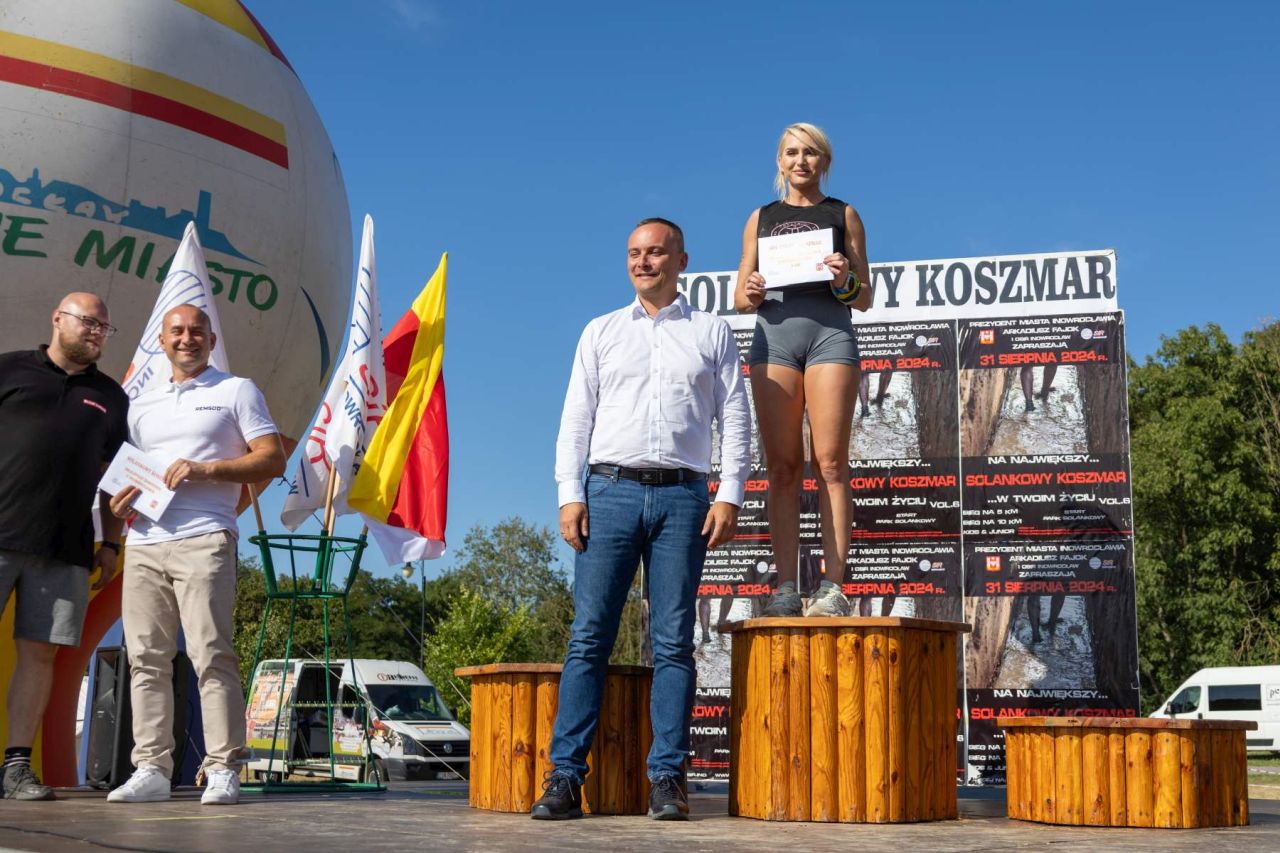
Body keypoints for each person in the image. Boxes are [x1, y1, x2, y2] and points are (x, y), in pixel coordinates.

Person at [534, 219, 751, 821]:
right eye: (634, 253)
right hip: (609, 492)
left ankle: (667, 780)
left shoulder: (711, 331)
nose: (643, 262)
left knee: (674, 642)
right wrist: (569, 494)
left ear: (681, 260)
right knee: (588, 637)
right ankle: (564, 778)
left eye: (655, 252)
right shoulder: (600, 331)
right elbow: (575, 419)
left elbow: (735, 416)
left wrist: (730, 493)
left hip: (684, 497)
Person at [107, 304, 285, 806]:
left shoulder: (237, 389)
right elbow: (131, 474)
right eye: (177, 332)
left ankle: (223, 767)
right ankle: (151, 769)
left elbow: (272, 458)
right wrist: (121, 503)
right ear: (162, 341)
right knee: (145, 659)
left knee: (210, 653)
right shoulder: (140, 403)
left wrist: (206, 470)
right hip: (143, 542)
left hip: (205, 537)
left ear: (211, 340)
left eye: (196, 332)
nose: (187, 339)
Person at [733, 123, 872, 617]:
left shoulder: (844, 213)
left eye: (810, 153)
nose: (800, 161)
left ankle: (833, 588)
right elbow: (740, 297)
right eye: (791, 153)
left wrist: (844, 279)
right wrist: (751, 291)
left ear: (824, 162)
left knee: (830, 464)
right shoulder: (761, 217)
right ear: (780, 161)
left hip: (830, 336)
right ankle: (786, 588)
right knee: (782, 468)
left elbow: (864, 297)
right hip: (774, 341)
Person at [0, 294, 128, 800]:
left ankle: (14, 768)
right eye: (88, 322)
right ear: (58, 318)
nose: (96, 332)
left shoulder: (111, 398)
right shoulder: (9, 370)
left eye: (104, 327)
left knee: (40, 656)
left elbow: (116, 480)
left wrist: (110, 543)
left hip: (66, 549)